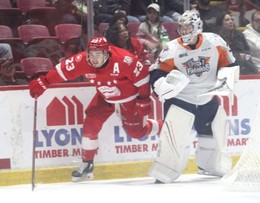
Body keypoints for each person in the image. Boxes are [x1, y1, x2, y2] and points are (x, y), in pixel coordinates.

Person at [28, 36, 162, 182]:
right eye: (91, 54)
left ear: (106, 53)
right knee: (90, 125)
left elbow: (142, 76)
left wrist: (143, 99)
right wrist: (45, 81)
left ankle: (165, 126)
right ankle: (87, 164)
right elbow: (63, 70)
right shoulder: (83, 60)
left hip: (129, 99)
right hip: (105, 97)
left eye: (98, 55)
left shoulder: (124, 60)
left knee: (137, 132)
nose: (94, 58)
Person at [149, 9, 239, 182]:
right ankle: (165, 170)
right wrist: (162, 86)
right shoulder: (172, 48)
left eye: (188, 28)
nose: (184, 32)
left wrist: (227, 79)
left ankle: (210, 165)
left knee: (213, 133)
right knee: (174, 136)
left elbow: (230, 63)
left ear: (198, 27)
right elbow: (157, 73)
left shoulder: (215, 42)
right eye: (181, 28)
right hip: (181, 99)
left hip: (208, 97)